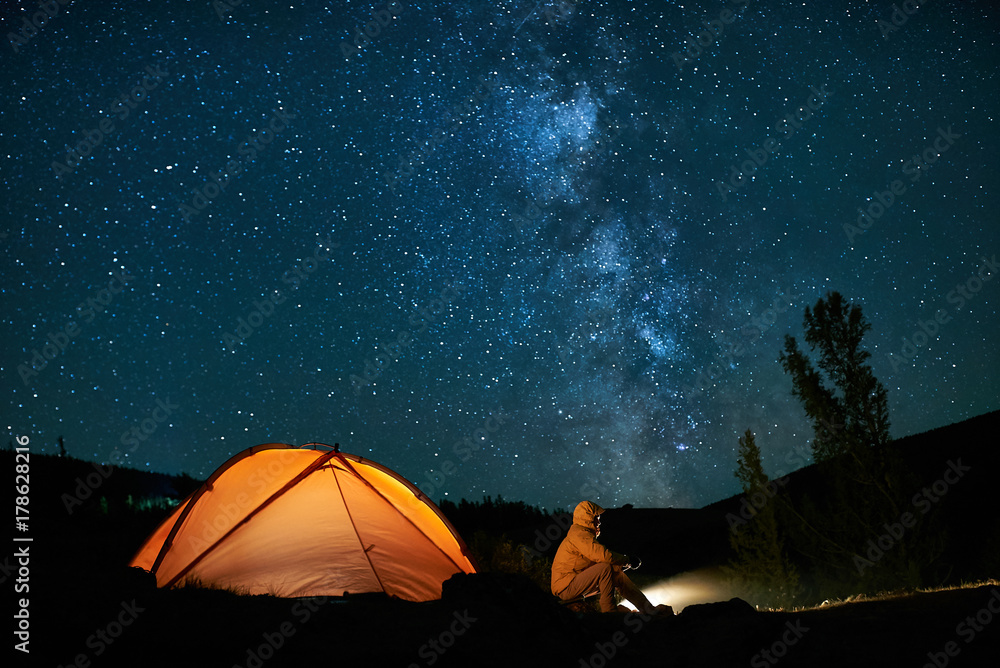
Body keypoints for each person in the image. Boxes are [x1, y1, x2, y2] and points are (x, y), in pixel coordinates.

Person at [551, 500, 666, 614]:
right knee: (604, 568)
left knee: (618, 576)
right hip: (566, 588)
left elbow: (595, 563)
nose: (599, 522)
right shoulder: (579, 534)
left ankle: (649, 610)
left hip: (573, 584)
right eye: (597, 518)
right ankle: (609, 612)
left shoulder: (582, 535)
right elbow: (602, 555)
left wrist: (622, 566)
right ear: (587, 518)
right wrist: (627, 560)